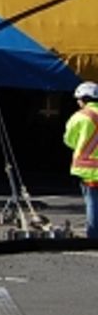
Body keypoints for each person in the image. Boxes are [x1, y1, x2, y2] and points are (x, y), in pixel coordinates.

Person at [63, 81, 98, 239]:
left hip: (88, 170)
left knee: (92, 203)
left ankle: (93, 237)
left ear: (84, 99)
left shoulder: (80, 116)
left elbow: (69, 140)